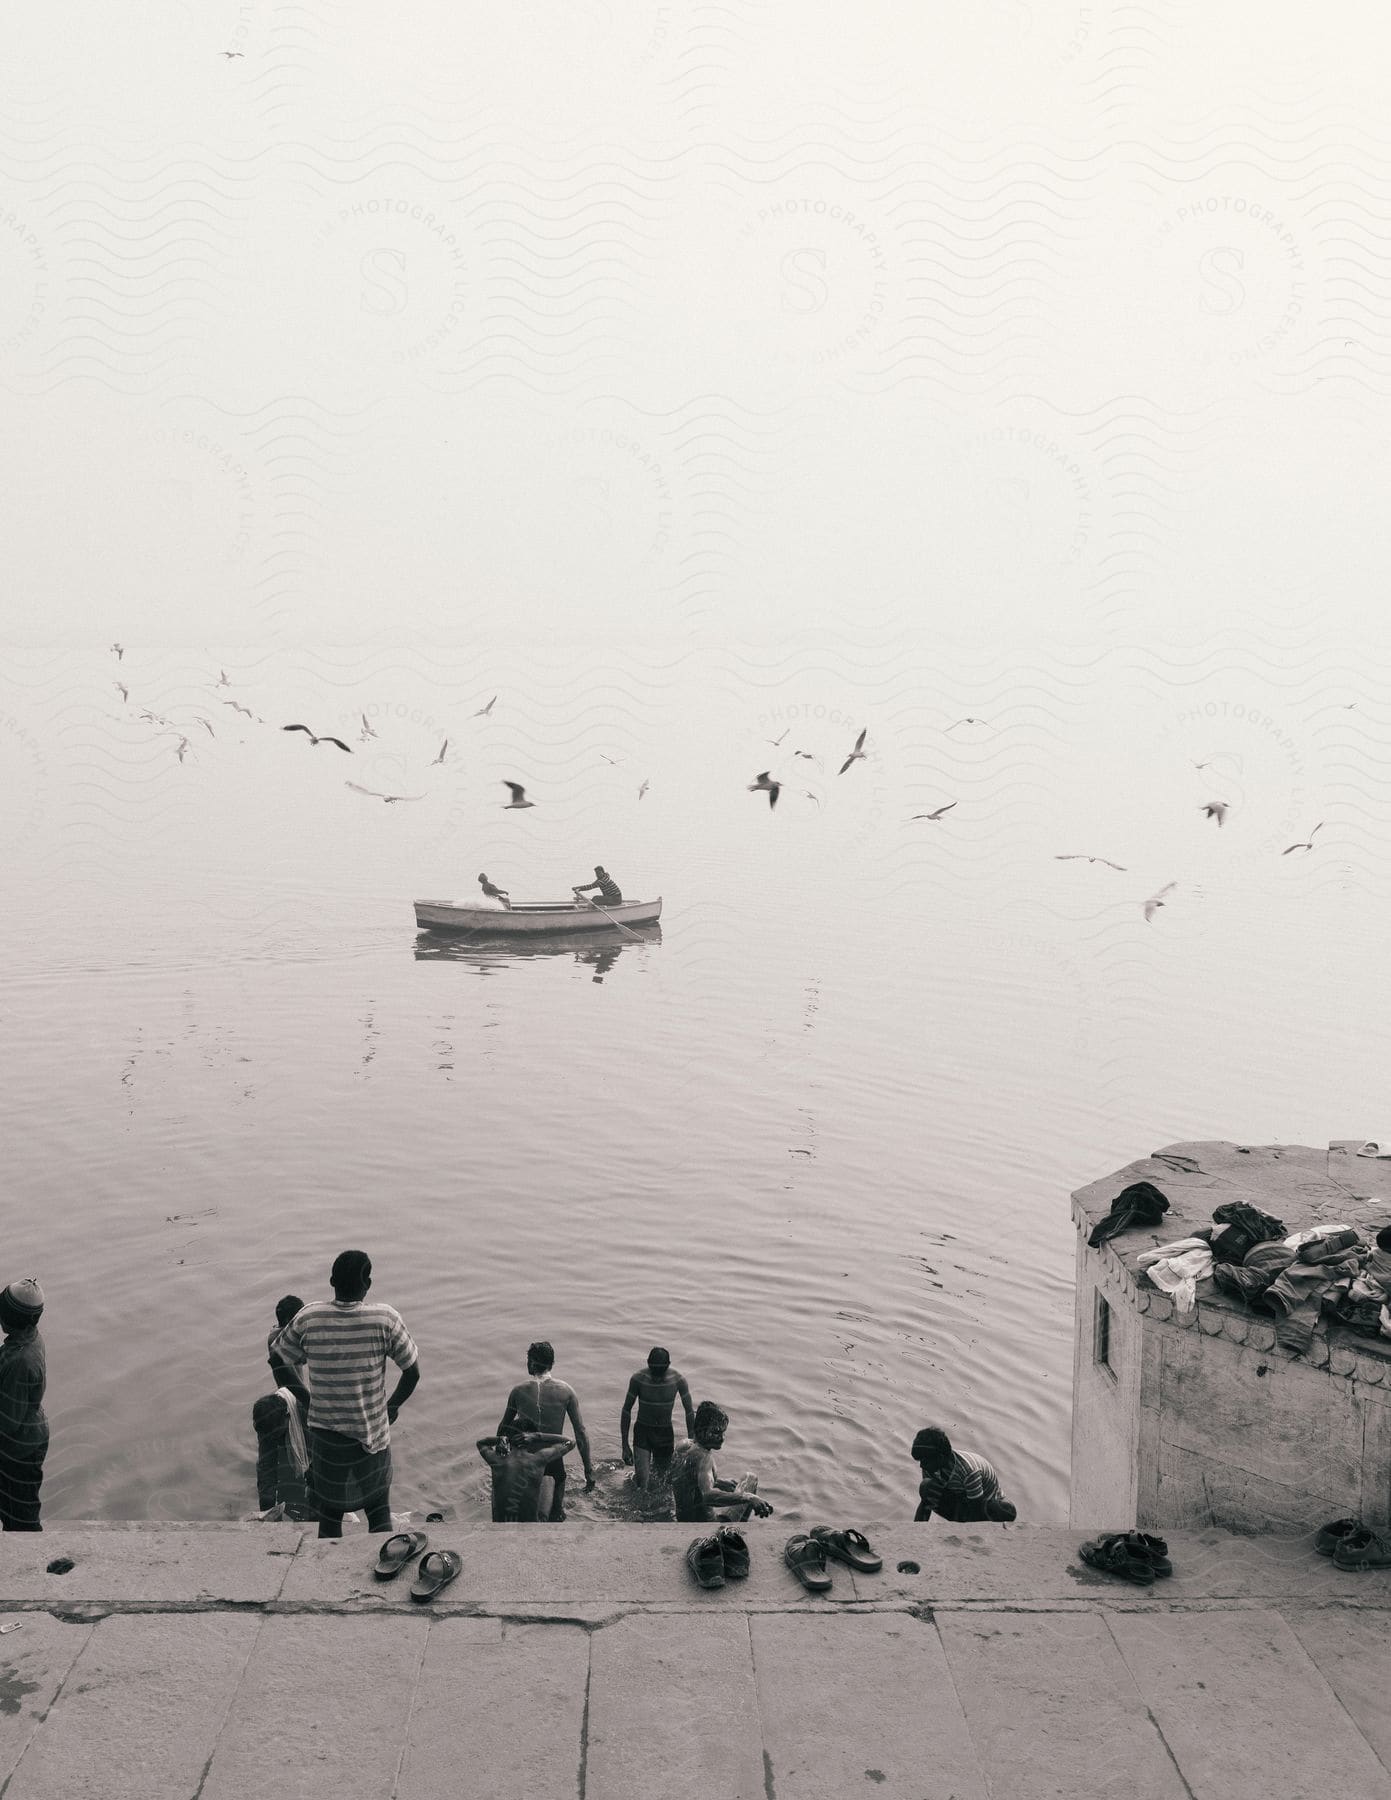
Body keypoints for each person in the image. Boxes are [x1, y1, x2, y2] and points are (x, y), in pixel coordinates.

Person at [270, 1250, 420, 1538]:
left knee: (329, 1517)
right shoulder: (385, 1318)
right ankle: (383, 1568)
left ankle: (328, 1574)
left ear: (331, 1281)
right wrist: (393, 1406)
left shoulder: (310, 1316)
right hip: (372, 1437)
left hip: (326, 1441)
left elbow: (277, 1359)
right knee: (378, 1513)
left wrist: (306, 1397)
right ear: (368, 1282)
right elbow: (412, 1372)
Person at [497, 1341, 594, 1521]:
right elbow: (580, 1432)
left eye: (528, 1359)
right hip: (553, 1461)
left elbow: (503, 1429)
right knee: (556, 1517)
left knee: (523, 1517)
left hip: (525, 1463)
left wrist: (502, 1462)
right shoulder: (566, 1391)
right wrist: (588, 1470)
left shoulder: (518, 1392)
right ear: (551, 1364)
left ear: (532, 1362)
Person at [669, 1401, 772, 1524]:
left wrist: (718, 1482)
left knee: (737, 1487)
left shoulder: (683, 1445)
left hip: (684, 1521)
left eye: (723, 1432)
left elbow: (684, 1480)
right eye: (716, 1432)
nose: (722, 1438)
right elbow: (707, 1496)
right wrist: (749, 1498)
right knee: (750, 1478)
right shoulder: (704, 1457)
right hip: (707, 1525)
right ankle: (737, 1528)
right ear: (701, 1430)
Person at [0, 1280, 47, 1531]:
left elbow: (7, 1421)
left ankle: (31, 1562)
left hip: (20, 1449)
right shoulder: (29, 1338)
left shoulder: (20, 1361)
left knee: (20, 1516)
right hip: (28, 1436)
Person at [620, 1347, 695, 1490]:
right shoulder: (638, 1379)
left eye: (661, 1372)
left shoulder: (678, 1380)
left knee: (662, 1483)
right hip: (643, 1431)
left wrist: (692, 1443)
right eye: (654, 1371)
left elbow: (689, 1412)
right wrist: (625, 1445)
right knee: (642, 1485)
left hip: (665, 1433)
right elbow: (626, 1410)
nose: (657, 1377)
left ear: (668, 1365)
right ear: (648, 1364)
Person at [911, 1427, 1016, 1523]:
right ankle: (961, 1521)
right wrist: (917, 1530)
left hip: (983, 1506)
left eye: (924, 1461)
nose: (922, 1465)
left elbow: (977, 1508)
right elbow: (927, 1501)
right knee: (926, 1487)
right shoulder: (931, 1467)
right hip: (963, 1501)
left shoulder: (968, 1470)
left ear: (940, 1457)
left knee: (1007, 1510)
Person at [477, 1422, 576, 1522]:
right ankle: (555, 1513)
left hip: (501, 1526)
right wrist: (537, 1436)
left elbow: (480, 1443)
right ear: (530, 1441)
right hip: (530, 1528)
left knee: (497, 1485)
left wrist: (499, 1439)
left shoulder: (496, 1460)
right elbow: (570, 1442)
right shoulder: (539, 1458)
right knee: (548, 1479)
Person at [252, 1388, 317, 1522]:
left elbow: (319, 1454)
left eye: (277, 1435)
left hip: (313, 1431)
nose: (275, 1441)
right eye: (269, 1437)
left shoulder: (306, 1409)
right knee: (268, 1496)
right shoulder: (266, 1423)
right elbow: (266, 1466)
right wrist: (267, 1510)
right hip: (278, 1425)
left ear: (288, 1417)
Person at [267, 1295, 309, 1407]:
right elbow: (289, 1373)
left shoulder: (276, 1333)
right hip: (293, 1397)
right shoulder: (280, 1339)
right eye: (299, 1318)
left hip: (290, 1394)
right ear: (287, 1320)